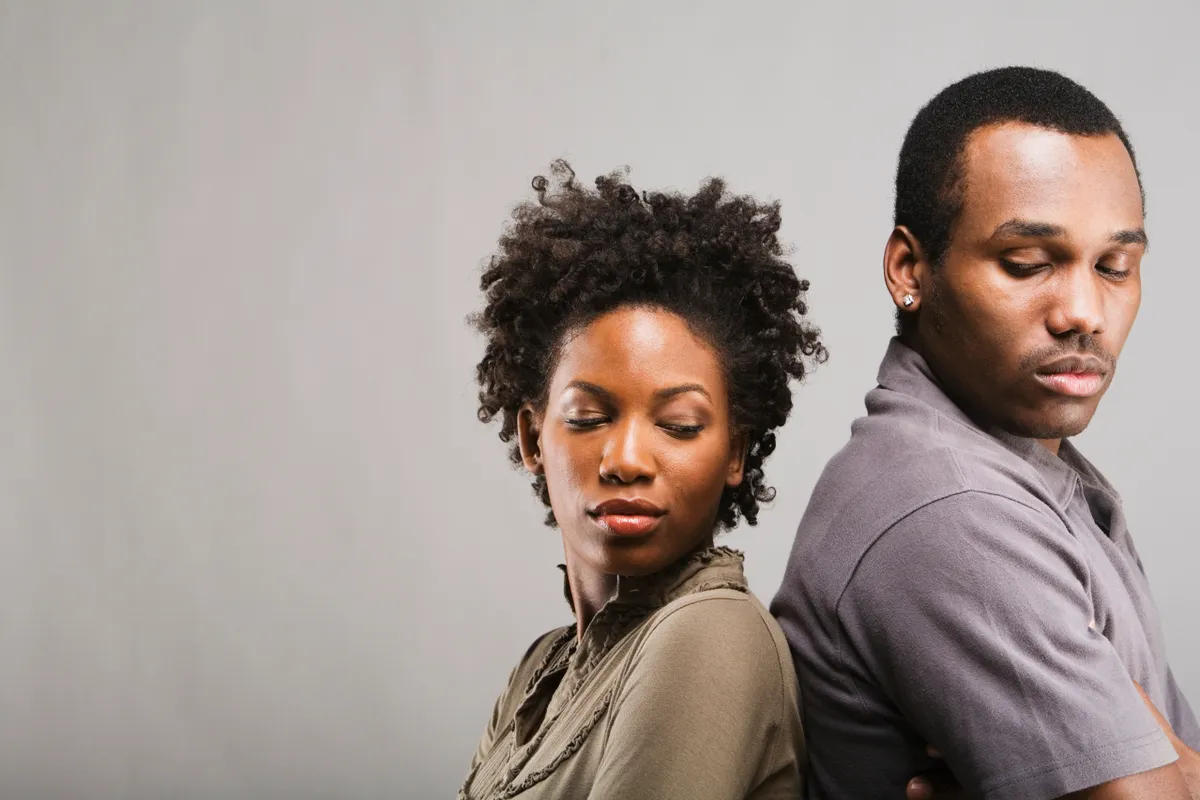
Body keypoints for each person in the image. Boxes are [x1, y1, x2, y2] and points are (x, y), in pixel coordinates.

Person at [772, 66, 1200, 799]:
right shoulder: (950, 507)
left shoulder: (1025, 470)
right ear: (910, 269)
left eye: (1115, 266)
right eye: (1028, 263)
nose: (1083, 311)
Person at [458, 161, 820, 799]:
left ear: (734, 454)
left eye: (679, 425)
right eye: (590, 417)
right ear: (531, 438)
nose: (626, 458)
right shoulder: (539, 674)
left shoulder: (709, 637)